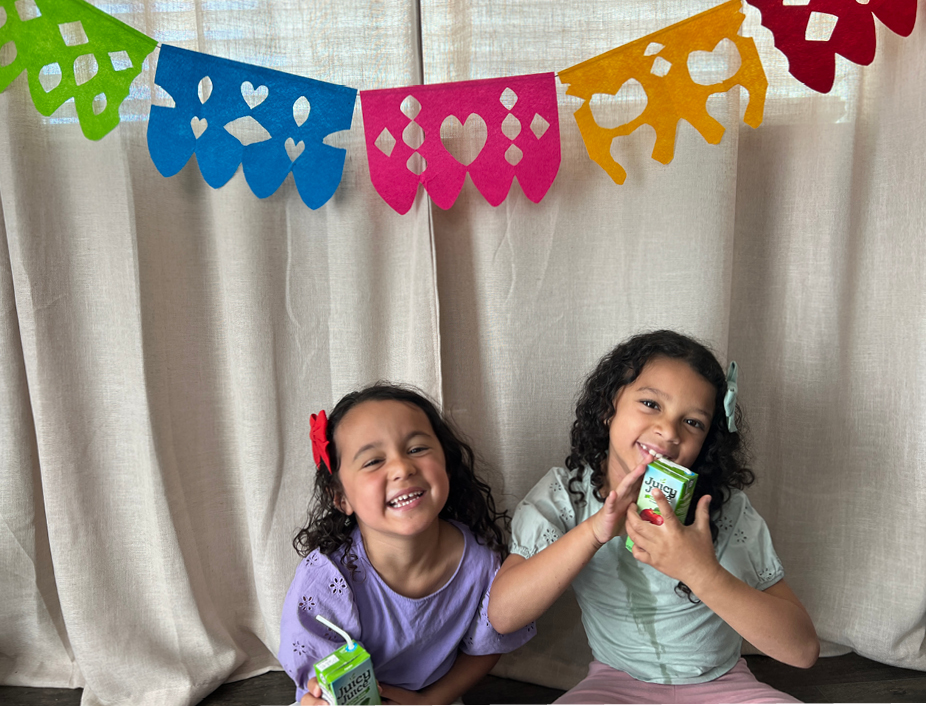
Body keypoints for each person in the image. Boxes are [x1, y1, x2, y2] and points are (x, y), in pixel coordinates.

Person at [488, 330, 819, 703]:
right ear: (607, 406)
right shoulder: (568, 494)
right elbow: (503, 615)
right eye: (650, 403)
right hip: (614, 686)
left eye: (693, 422)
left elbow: (802, 650)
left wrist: (699, 571)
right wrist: (594, 532)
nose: (668, 431)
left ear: (708, 441)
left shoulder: (722, 510)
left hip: (724, 686)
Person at [279, 383, 534, 705]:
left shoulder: (484, 560)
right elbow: (316, 680)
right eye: (373, 461)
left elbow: (488, 645)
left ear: (446, 463)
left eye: (416, 449)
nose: (402, 468)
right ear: (341, 497)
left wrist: (430, 701)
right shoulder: (329, 577)